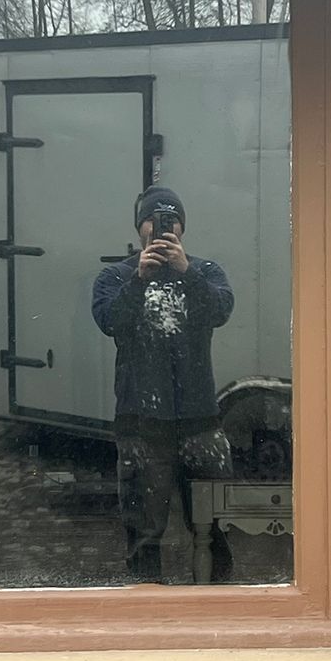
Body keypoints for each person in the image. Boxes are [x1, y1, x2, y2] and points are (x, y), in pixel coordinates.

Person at [92, 186, 235, 583]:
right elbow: (109, 322)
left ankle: (218, 602)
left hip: (200, 422)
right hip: (140, 424)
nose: (162, 228)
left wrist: (186, 271)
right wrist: (140, 279)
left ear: (182, 227)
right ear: (140, 227)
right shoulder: (116, 276)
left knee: (215, 527)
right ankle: (147, 606)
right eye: (153, 221)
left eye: (171, 221)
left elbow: (220, 311)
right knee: (143, 533)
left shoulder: (205, 272)